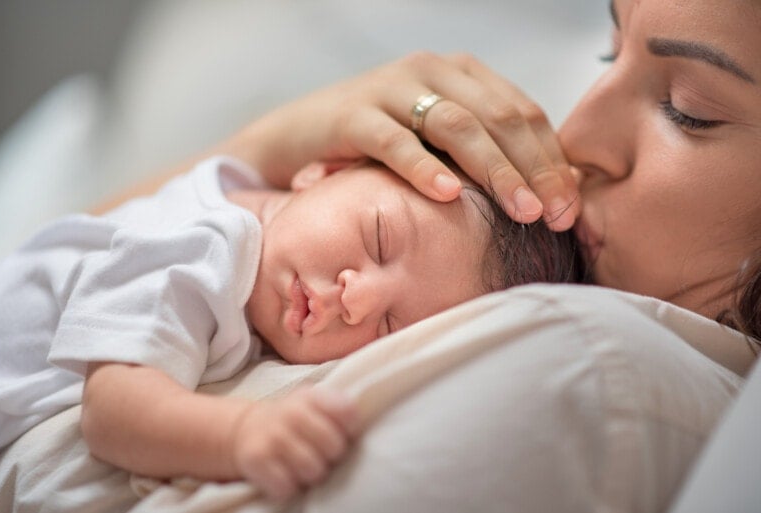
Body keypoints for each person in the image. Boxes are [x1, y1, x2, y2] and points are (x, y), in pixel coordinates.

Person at [88, 0, 758, 508]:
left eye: (686, 110)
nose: (576, 133)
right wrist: (273, 143)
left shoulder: (582, 363)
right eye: (610, 55)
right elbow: (63, 265)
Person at [0, 151, 580, 498]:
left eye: (389, 329)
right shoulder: (203, 244)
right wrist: (242, 435)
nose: (357, 299)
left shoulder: (248, 231)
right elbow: (115, 411)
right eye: (378, 238)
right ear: (325, 169)